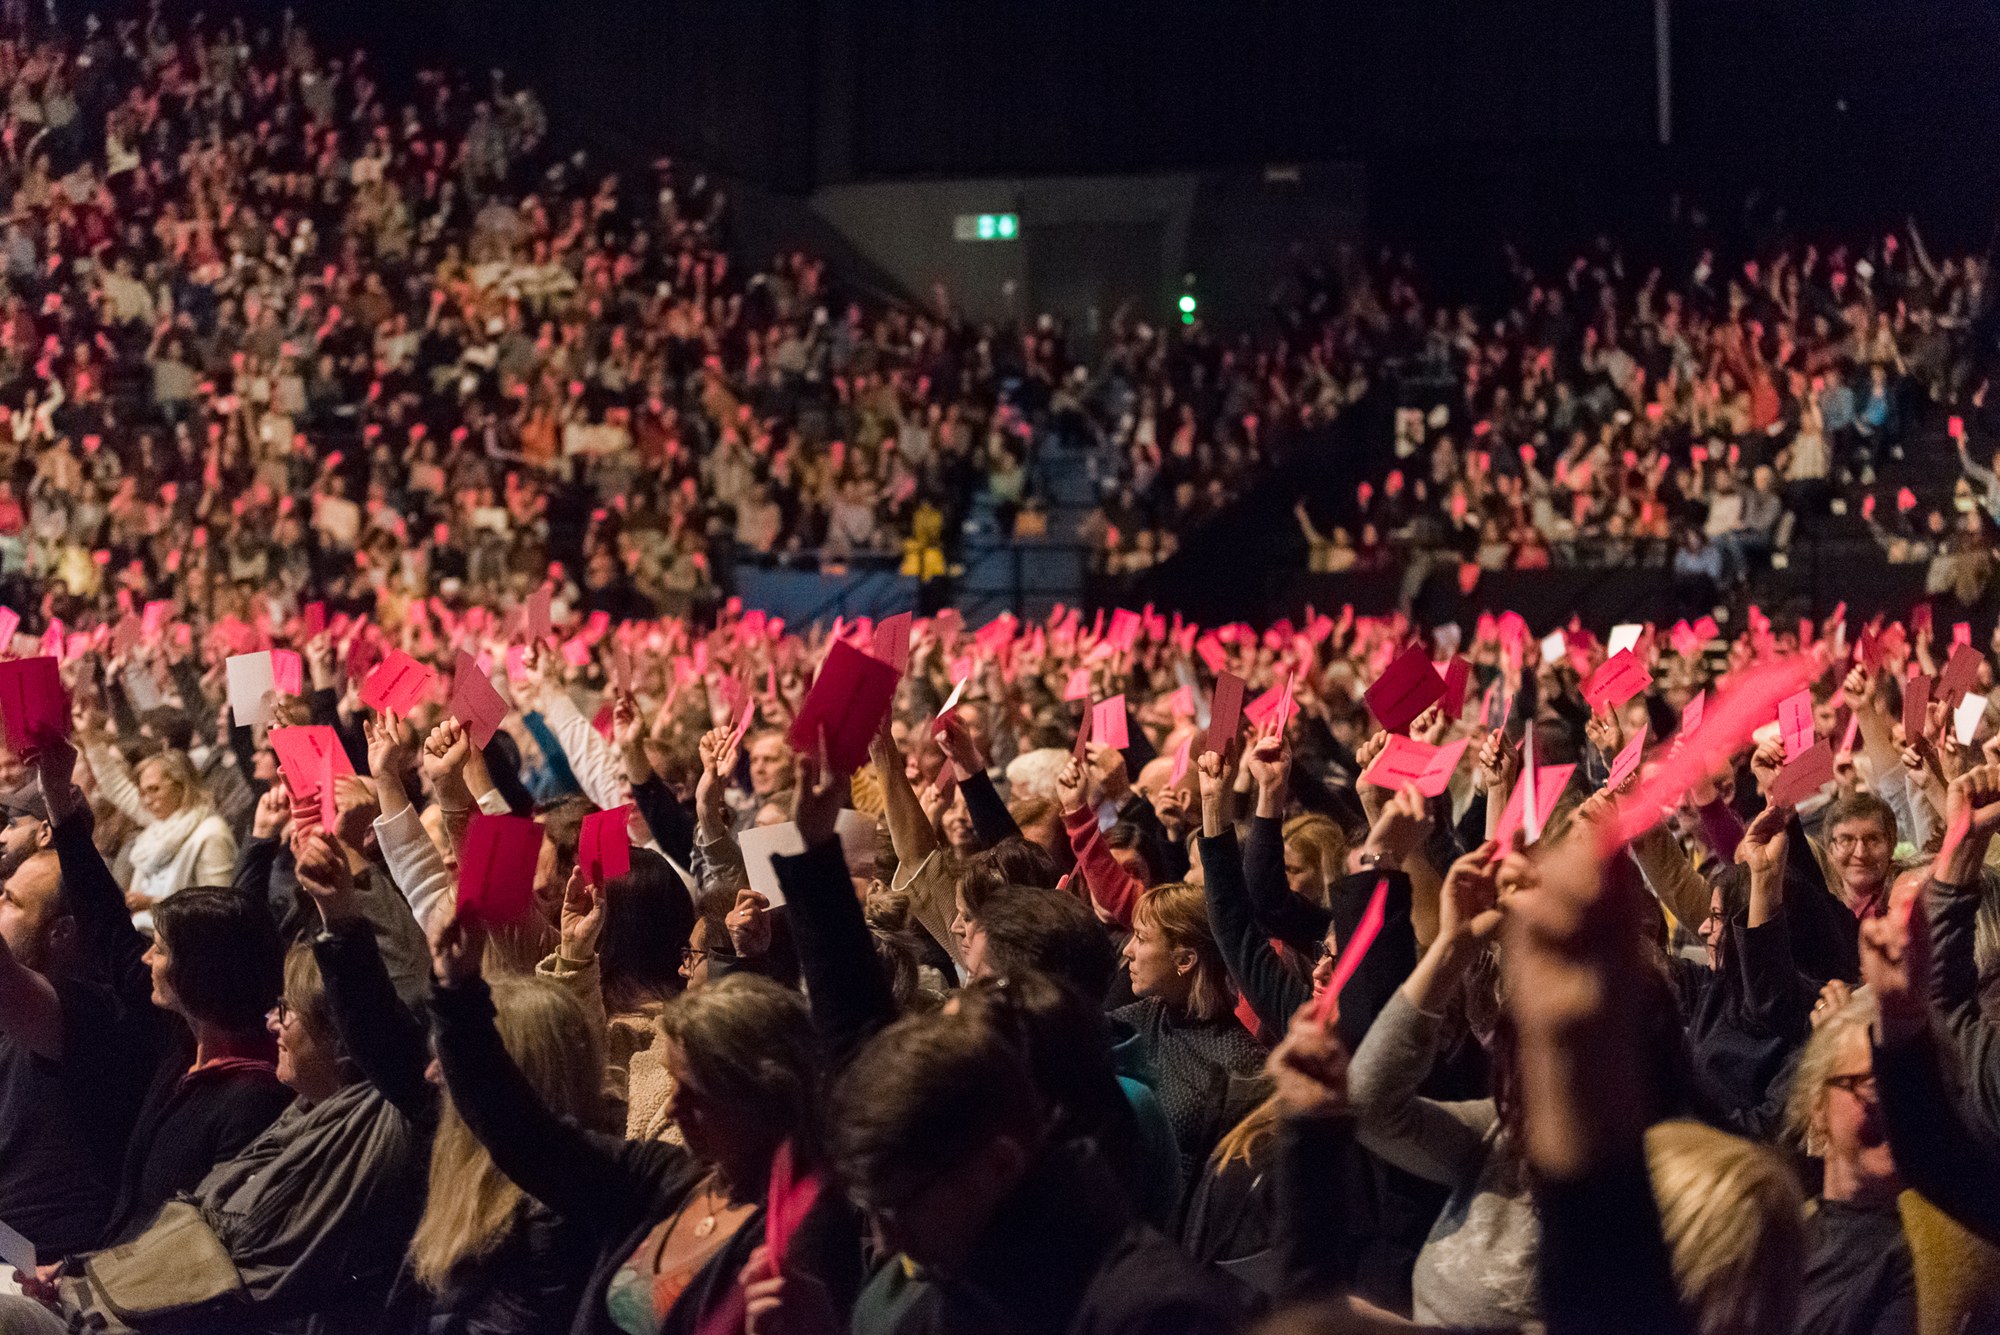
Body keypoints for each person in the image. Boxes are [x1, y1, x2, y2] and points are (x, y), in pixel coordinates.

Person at [79, 733, 237, 930]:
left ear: (182, 786)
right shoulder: (160, 823)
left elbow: (219, 909)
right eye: (143, 793)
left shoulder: (211, 832)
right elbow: (116, 787)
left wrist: (153, 903)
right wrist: (90, 736)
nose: (146, 801)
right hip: (149, 937)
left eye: (154, 790)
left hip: (186, 947)